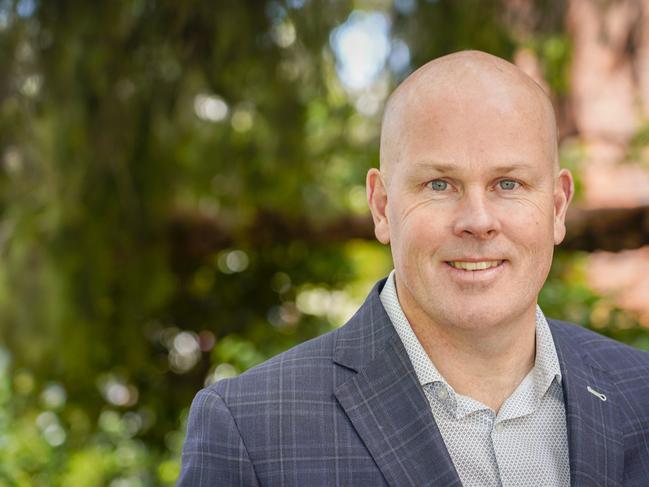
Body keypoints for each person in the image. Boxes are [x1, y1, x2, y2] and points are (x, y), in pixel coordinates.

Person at [178, 51, 649, 486]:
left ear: (558, 207)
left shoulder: (640, 394)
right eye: (439, 184)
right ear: (382, 206)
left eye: (509, 183)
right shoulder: (252, 429)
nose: (478, 221)